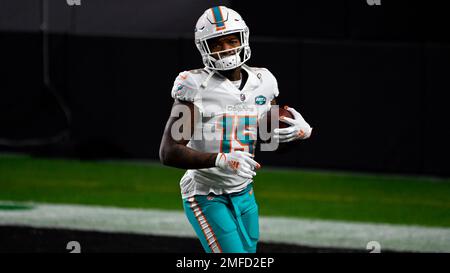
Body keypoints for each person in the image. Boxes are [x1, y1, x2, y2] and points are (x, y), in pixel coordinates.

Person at [159, 6, 312, 253]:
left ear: (244, 38)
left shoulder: (264, 81)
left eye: (232, 40)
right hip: (206, 193)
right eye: (217, 43)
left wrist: (299, 134)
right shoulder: (195, 85)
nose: (227, 48)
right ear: (204, 47)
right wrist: (221, 160)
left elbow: (272, 142)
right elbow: (169, 152)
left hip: (244, 191)